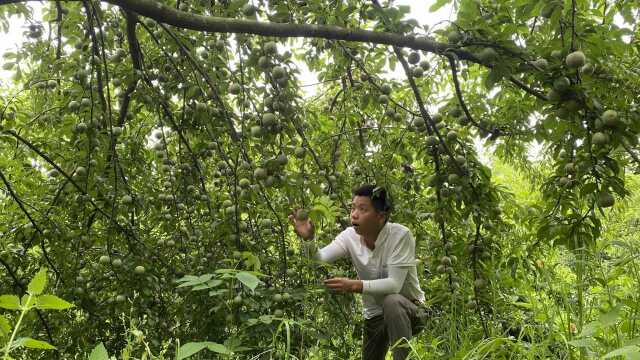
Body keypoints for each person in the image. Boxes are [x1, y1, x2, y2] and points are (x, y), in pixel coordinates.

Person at [289, 184, 425, 360]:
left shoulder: (401, 235)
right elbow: (319, 259)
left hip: (412, 310)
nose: (353, 214)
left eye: (363, 209)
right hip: (375, 315)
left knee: (392, 301)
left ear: (381, 216)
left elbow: (394, 284)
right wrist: (308, 239)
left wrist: (354, 285)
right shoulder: (349, 236)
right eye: (353, 207)